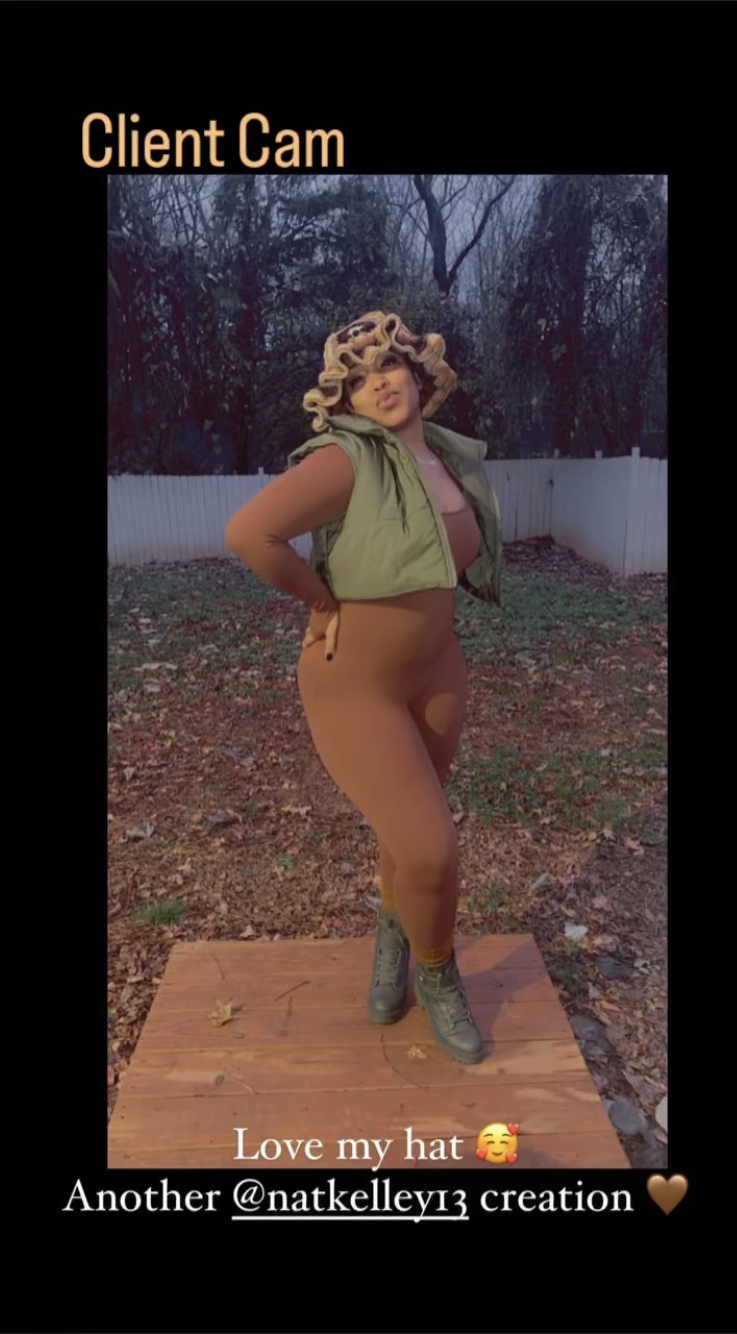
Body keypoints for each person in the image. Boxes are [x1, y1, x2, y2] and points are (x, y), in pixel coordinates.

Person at [225, 311, 501, 1064]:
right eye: (358, 378)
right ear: (343, 401)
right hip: (355, 685)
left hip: (436, 671)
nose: (379, 382)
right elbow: (250, 533)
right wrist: (320, 603)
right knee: (432, 848)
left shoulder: (446, 458)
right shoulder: (348, 457)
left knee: (403, 835)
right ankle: (437, 973)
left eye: (389, 365)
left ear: (418, 374)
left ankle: (394, 941)